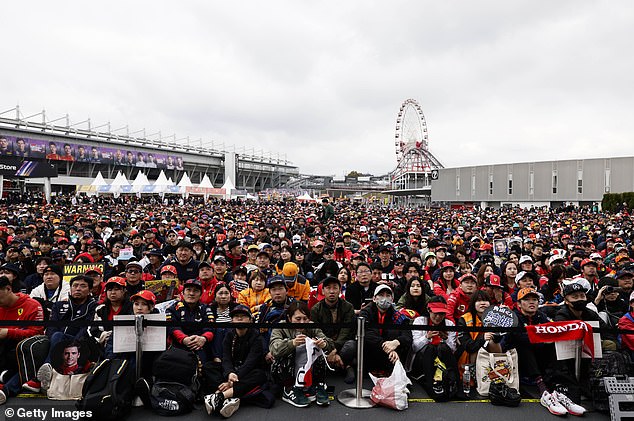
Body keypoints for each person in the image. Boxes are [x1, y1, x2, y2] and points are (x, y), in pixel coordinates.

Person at [203, 305, 267, 418]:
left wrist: (233, 378)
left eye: (243, 316)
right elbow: (226, 358)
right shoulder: (229, 335)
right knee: (209, 366)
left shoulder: (257, 337)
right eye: (236, 316)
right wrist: (229, 373)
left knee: (260, 375)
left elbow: (250, 363)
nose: (240, 319)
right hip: (232, 372)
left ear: (250, 319)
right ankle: (232, 396)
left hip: (247, 372)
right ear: (232, 320)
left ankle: (219, 396)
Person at [269, 301, 334, 407]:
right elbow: (274, 349)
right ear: (290, 318)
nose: (302, 322)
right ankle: (289, 389)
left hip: (308, 368)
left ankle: (318, 384)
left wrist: (323, 344)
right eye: (298, 319)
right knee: (286, 354)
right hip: (287, 370)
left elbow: (330, 344)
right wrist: (292, 343)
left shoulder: (312, 326)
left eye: (305, 318)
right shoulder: (280, 326)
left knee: (319, 352)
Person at [0, 276, 45, 405]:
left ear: (8, 289)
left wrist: (9, 332)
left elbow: (38, 333)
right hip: (4, 349)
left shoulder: (32, 305)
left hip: (25, 350)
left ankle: (7, 389)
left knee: (24, 349)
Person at [406, 296, 458, 400]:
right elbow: (414, 347)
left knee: (443, 347)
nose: (438, 317)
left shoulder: (449, 324)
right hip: (421, 361)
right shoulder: (420, 321)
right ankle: (429, 384)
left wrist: (446, 339)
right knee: (430, 348)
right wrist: (427, 337)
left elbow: (452, 350)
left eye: (442, 314)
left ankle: (454, 381)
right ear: (429, 310)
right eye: (435, 313)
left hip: (441, 360)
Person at [310, 276, 356, 384]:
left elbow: (346, 331)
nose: (331, 291)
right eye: (328, 288)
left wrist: (334, 350)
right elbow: (317, 332)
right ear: (323, 290)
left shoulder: (348, 307)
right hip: (324, 344)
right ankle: (346, 366)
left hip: (342, 343)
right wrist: (329, 348)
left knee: (351, 345)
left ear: (339, 290)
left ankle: (334, 363)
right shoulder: (316, 309)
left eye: (335, 288)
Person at [360, 284, 412, 375]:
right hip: (371, 351)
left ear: (392, 300)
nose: (385, 298)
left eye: (388, 296)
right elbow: (369, 334)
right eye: (381, 295)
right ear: (374, 298)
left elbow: (408, 336)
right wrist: (388, 348)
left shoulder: (398, 316)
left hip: (392, 352)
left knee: (396, 335)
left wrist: (396, 342)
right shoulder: (366, 312)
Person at [165, 279, 214, 363]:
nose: (191, 293)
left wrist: (203, 338)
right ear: (183, 293)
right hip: (179, 345)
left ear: (200, 295)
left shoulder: (206, 308)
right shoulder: (172, 309)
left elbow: (210, 327)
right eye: (188, 290)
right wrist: (184, 339)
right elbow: (172, 327)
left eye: (196, 291)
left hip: (200, 344)